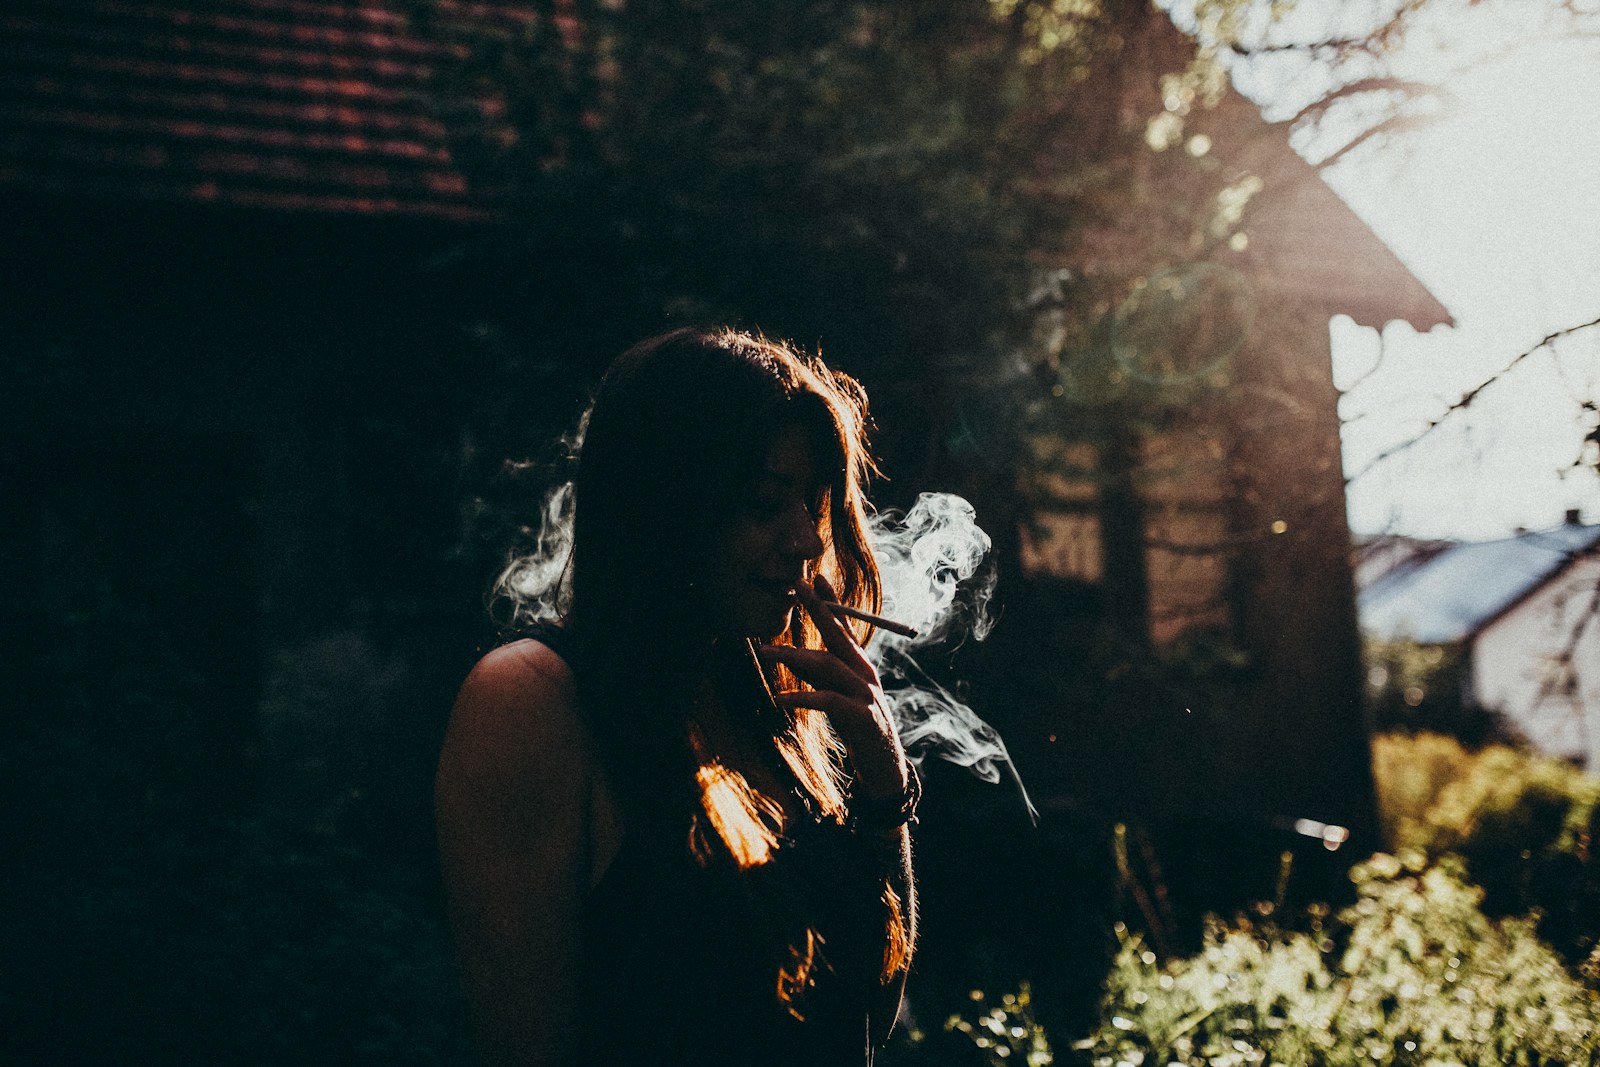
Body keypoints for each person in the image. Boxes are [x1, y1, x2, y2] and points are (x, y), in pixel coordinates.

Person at [435, 327, 918, 1066]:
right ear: (666, 510)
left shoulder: (761, 700)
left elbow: (868, 1008)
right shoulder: (531, 702)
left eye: (814, 503)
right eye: (764, 503)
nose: (806, 540)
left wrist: (886, 793)